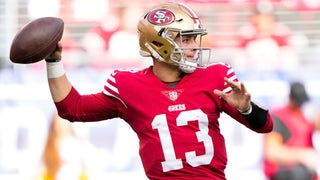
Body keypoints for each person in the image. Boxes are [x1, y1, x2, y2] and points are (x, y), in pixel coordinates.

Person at [44, 2, 273, 179]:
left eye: (195, 38)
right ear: (158, 44)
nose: (194, 47)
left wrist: (247, 108)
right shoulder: (129, 87)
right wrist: (54, 63)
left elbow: (265, 126)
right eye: (186, 39)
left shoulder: (215, 77)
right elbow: (72, 108)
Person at [264, 81, 320, 180]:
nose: (300, 105)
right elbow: (272, 153)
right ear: (290, 99)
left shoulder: (305, 118)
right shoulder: (278, 117)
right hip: (286, 173)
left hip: (306, 173)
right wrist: (302, 155)